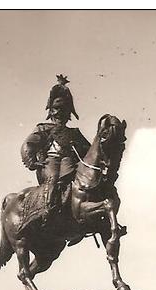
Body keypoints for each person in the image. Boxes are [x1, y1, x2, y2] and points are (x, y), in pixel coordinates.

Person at [19, 75, 91, 236]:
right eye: (57, 109)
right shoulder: (43, 128)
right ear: (51, 111)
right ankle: (44, 214)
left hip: (68, 161)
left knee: (80, 184)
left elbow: (89, 151)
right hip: (50, 161)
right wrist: (32, 162)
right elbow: (28, 144)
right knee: (53, 181)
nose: (60, 113)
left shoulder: (74, 133)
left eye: (63, 110)